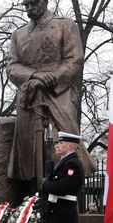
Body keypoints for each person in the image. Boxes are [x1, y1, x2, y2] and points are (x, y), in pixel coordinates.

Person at [6, 0, 95, 192]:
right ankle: (31, 198)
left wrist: (51, 78)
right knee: (27, 149)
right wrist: (35, 76)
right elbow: (12, 67)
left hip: (59, 91)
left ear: (45, 1)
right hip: (29, 93)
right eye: (26, 5)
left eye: (34, 3)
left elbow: (75, 59)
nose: (29, 8)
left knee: (65, 141)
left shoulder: (64, 25)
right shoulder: (18, 34)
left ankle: (67, 187)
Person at [42, 131, 84, 223]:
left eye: (60, 143)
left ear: (70, 146)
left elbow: (63, 188)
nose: (56, 145)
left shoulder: (72, 164)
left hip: (63, 215)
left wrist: (45, 185)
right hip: (58, 214)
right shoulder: (64, 162)